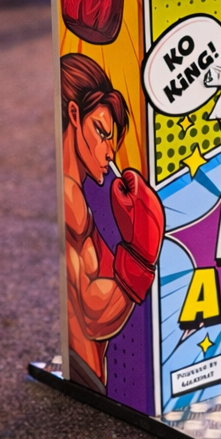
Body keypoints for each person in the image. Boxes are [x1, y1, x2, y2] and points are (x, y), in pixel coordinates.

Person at [61, 53, 164, 393]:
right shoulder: (70, 199)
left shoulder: (78, 197)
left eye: (112, 139)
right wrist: (141, 253)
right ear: (74, 115)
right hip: (85, 374)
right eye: (101, 132)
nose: (109, 153)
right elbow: (93, 313)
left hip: (89, 375)